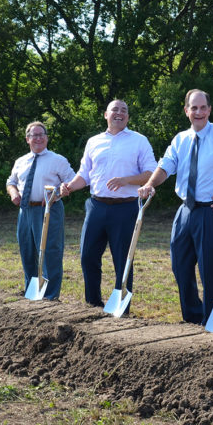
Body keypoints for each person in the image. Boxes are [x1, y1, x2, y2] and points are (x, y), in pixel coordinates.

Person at [137, 89, 213, 325]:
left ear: (209, 110)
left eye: (203, 108)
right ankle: (192, 316)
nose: (198, 112)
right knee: (179, 265)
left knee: (209, 270)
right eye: (194, 108)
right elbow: (165, 166)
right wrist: (150, 184)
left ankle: (211, 321)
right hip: (185, 211)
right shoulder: (180, 139)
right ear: (186, 111)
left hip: (212, 211)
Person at [59, 100, 157, 311]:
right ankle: (93, 304)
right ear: (106, 114)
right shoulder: (93, 142)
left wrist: (126, 180)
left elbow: (151, 173)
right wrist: (69, 187)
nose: (119, 113)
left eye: (124, 111)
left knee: (123, 260)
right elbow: (84, 175)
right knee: (87, 256)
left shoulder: (139, 141)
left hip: (126, 208)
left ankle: (121, 309)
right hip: (96, 207)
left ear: (128, 117)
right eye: (115, 110)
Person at [6, 121, 75, 301]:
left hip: (49, 210)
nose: (38, 138)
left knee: (49, 252)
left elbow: (71, 181)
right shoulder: (21, 161)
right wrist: (13, 193)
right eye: (34, 135)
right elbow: (11, 182)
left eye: (41, 134)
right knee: (27, 251)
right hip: (25, 211)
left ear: (47, 138)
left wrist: (63, 190)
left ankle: (50, 297)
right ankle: (32, 292)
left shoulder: (58, 160)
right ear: (27, 139)